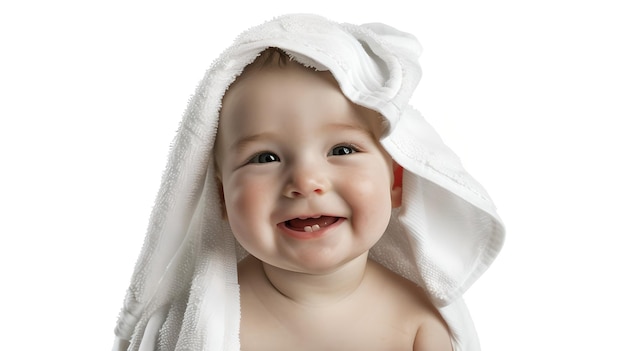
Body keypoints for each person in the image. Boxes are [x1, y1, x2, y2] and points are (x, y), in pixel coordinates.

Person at [113, 14, 505, 351]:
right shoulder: (199, 321)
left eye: (342, 149)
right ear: (221, 197)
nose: (305, 181)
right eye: (265, 158)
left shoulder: (417, 322)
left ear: (395, 180)